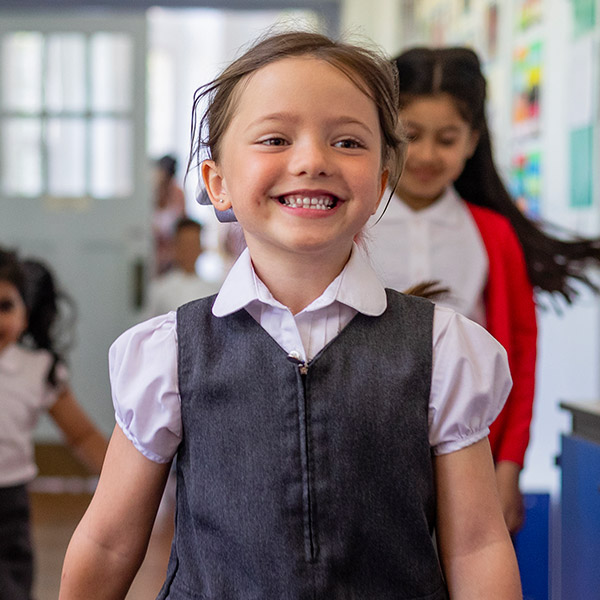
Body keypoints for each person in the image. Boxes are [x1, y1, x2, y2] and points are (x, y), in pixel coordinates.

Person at [59, 31, 521, 599]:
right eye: (276, 138)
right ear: (218, 183)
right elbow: (108, 542)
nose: (311, 161)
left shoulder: (443, 349)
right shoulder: (167, 352)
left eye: (348, 142)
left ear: (380, 184)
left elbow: (476, 544)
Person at [366, 46, 600, 533]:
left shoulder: (492, 234)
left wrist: (509, 466)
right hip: (363, 458)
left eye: (447, 139)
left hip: (469, 461)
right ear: (386, 134)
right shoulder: (352, 223)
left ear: (473, 140)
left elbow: (520, 354)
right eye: (412, 136)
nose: (428, 155)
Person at [0, 249, 108, 600]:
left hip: (9, 503)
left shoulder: (38, 369)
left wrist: (124, 486)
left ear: (25, 312)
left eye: (5, 306)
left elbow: (82, 435)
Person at [145, 217, 220, 318]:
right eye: (185, 245)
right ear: (175, 247)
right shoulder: (160, 290)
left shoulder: (213, 291)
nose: (189, 251)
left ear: (200, 248)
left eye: (193, 245)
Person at [152, 154, 187, 275]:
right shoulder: (150, 194)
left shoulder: (178, 194)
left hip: (172, 259)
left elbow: (183, 225)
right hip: (152, 255)